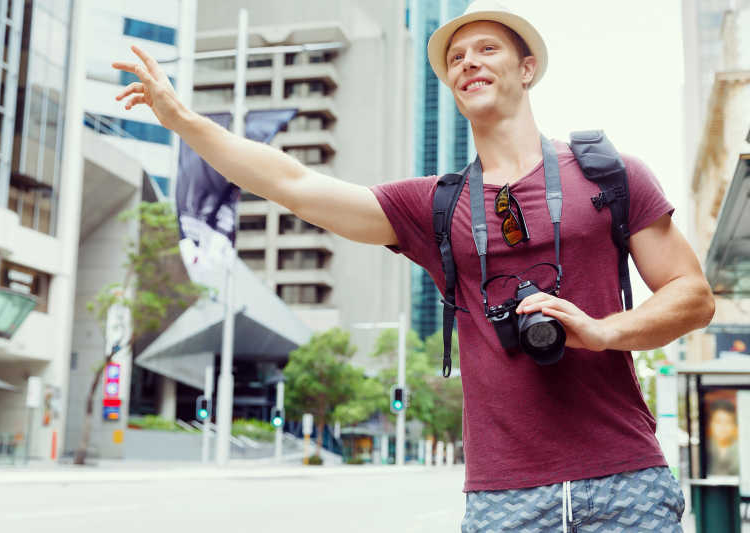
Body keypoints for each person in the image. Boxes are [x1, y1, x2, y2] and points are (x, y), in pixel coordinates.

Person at [112, 1, 714, 531]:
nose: (468, 63)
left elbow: (691, 294)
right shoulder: (433, 206)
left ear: (527, 69)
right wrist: (183, 121)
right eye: (455, 58)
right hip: (504, 497)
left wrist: (605, 331)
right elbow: (295, 185)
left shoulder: (609, 174)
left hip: (626, 476)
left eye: (487, 49)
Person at [707, 399, 740, 476]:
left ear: (734, 425)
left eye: (728, 422)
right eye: (718, 422)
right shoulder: (704, 448)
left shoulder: (741, 448)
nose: (723, 427)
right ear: (710, 424)